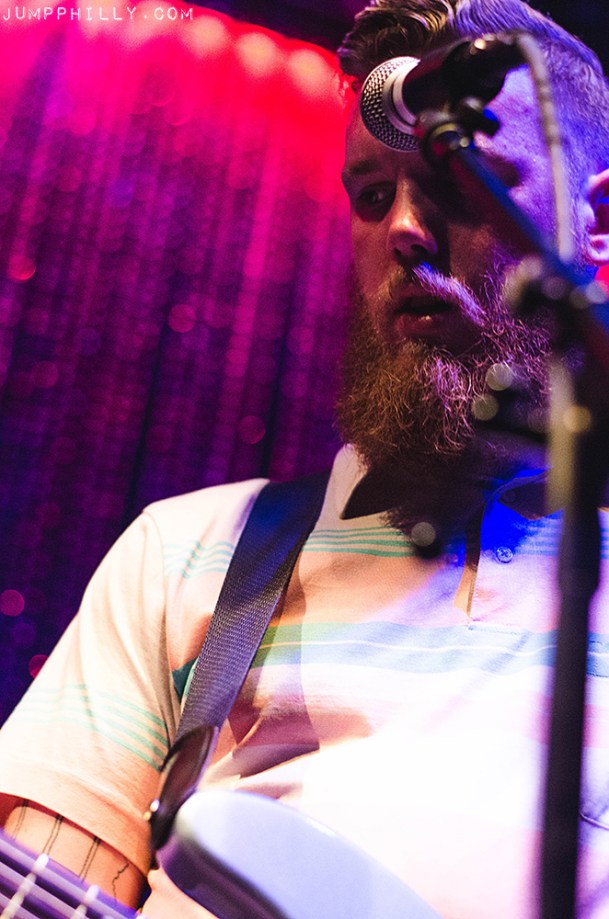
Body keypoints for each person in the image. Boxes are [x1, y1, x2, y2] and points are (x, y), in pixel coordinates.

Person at [1, 0, 609, 916]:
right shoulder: (190, 551)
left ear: (597, 220)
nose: (401, 228)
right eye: (369, 195)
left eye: (455, 178)